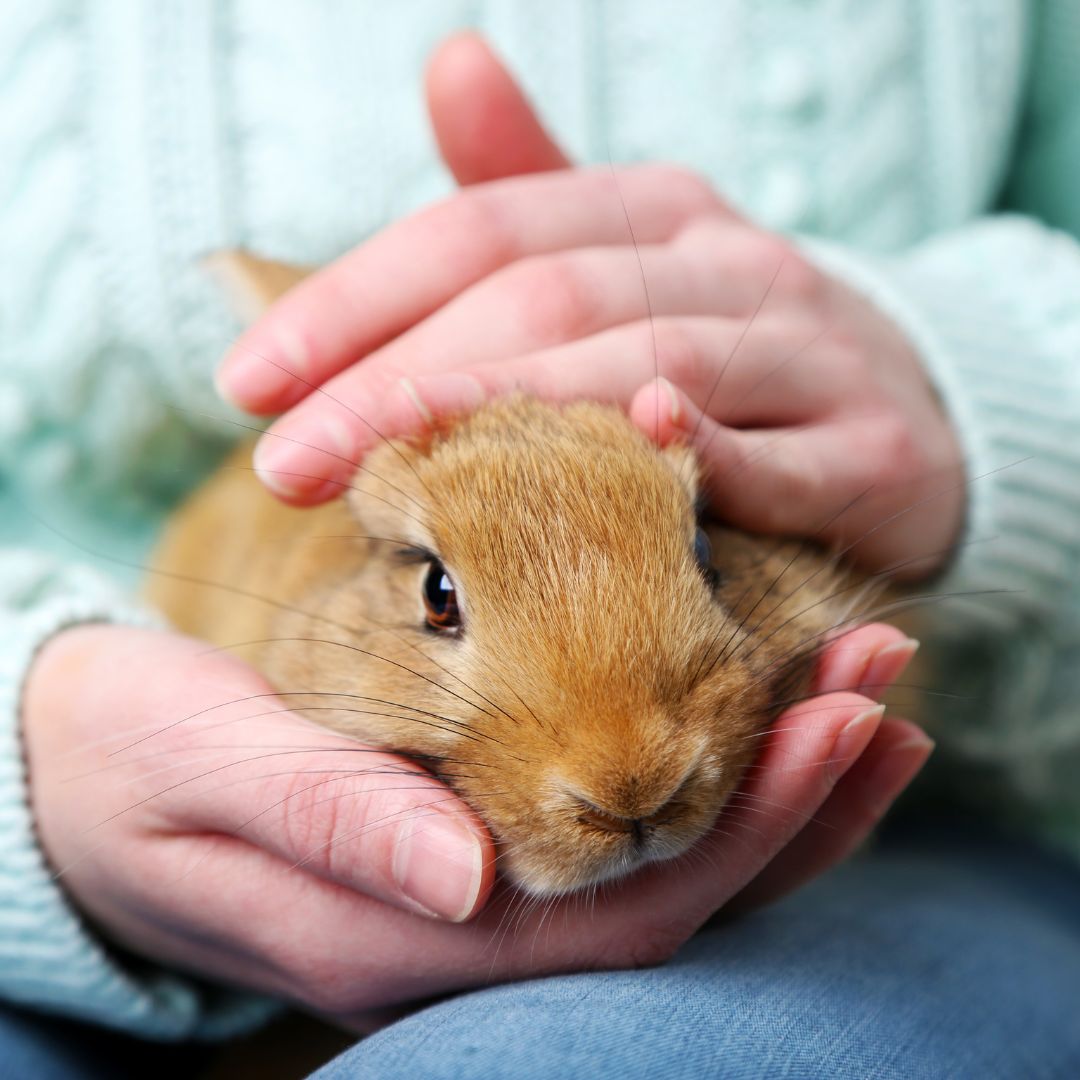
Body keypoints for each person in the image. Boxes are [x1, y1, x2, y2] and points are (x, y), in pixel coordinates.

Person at [2, 5, 1079, 1077]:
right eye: (440, 598)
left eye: (700, 549)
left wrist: (993, 404)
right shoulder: (255, 559)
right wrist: (28, 778)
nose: (626, 775)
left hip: (942, 842)